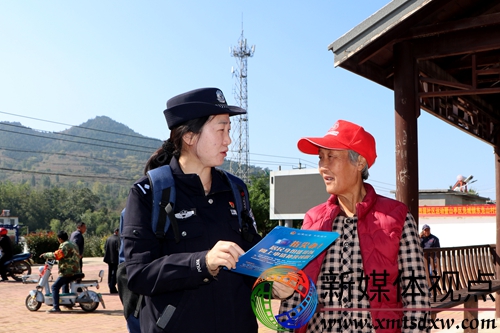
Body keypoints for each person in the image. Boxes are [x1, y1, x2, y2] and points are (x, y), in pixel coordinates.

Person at [122, 87, 262, 333]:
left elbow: (251, 260)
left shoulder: (236, 190)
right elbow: (138, 273)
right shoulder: (149, 193)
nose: (228, 140)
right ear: (189, 136)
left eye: (229, 130)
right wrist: (201, 262)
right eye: (220, 130)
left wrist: (274, 279)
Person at [278, 120, 431, 333]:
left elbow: (416, 296)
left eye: (331, 156)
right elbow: (295, 292)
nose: (323, 166)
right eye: (321, 158)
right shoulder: (312, 219)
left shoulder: (397, 217)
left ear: (359, 162)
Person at [40, 231, 81, 313]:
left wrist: (45, 255)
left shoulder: (65, 245)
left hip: (67, 271)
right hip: (76, 270)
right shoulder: (73, 244)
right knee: (64, 284)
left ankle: (56, 307)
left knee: (55, 287)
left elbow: (57, 255)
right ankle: (67, 304)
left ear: (60, 239)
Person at [104, 228, 121, 294]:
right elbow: (119, 249)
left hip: (109, 259)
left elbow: (105, 247)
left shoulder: (108, 238)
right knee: (114, 274)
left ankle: (110, 285)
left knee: (110, 273)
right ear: (117, 232)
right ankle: (112, 287)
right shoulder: (117, 239)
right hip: (115, 259)